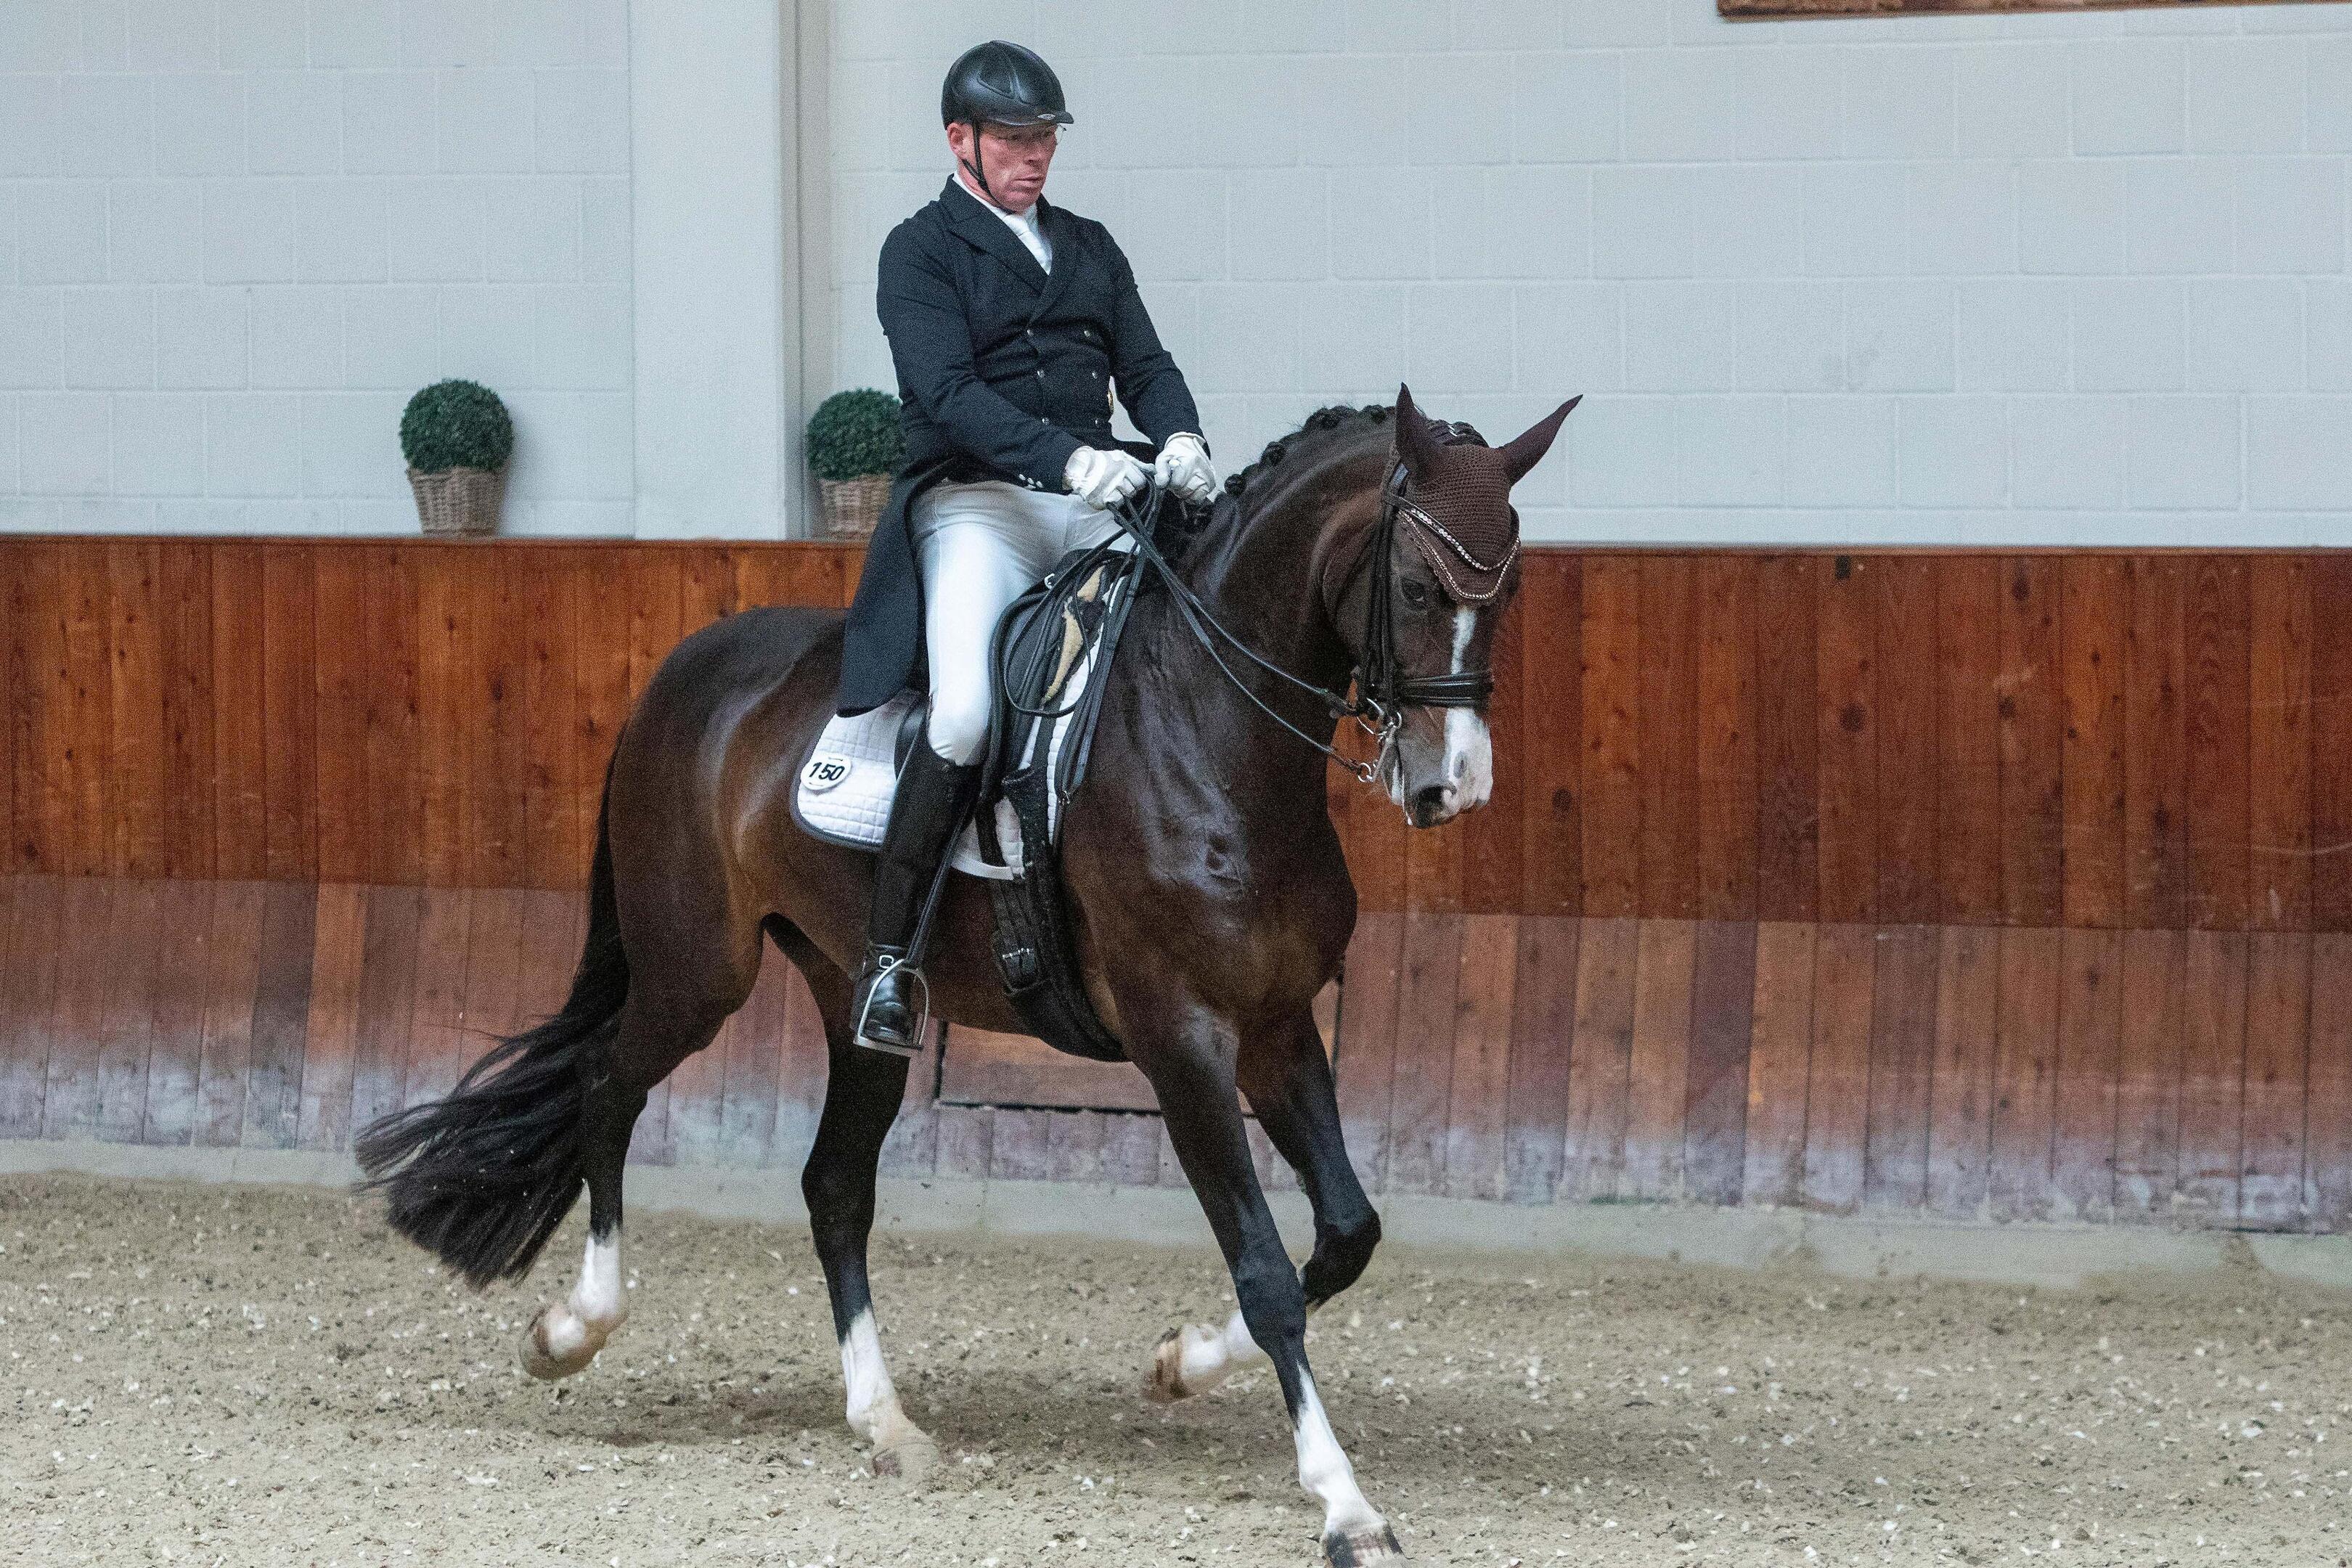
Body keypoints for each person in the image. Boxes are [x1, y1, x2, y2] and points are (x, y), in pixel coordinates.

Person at [834, 39, 1218, 1056]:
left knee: (1186, 661)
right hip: (981, 510)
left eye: (1044, 137)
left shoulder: (1089, 245)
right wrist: (1067, 458)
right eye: (1014, 138)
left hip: (1096, 500)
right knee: (962, 713)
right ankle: (887, 964)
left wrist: (1179, 436)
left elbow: (1145, 362)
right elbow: (947, 395)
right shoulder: (918, 251)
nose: (1034, 155)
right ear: (960, 141)